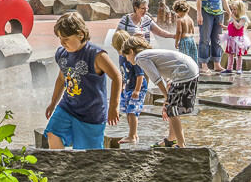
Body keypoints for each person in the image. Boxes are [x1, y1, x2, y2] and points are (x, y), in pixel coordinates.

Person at [44, 12, 121, 150]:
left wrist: (114, 107)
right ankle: (59, 168)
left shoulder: (96, 55)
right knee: (52, 132)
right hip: (67, 107)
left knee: (88, 156)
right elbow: (62, 79)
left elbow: (116, 77)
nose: (62, 43)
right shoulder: (62, 54)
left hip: (91, 113)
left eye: (66, 38)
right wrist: (53, 103)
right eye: (60, 38)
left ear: (80, 34)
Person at [122, 35, 199, 148]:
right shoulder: (149, 54)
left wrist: (166, 96)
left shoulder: (139, 57)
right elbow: (167, 75)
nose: (127, 59)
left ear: (131, 51)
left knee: (172, 110)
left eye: (126, 55)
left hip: (184, 72)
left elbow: (156, 78)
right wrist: (167, 96)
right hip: (189, 69)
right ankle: (171, 139)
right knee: (170, 108)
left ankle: (182, 145)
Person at [196, 0, 232, 75]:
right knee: (205, 39)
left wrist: (230, 13)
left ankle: (217, 63)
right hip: (206, 12)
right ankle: (204, 65)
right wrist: (199, 14)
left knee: (217, 39)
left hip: (218, 13)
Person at [111, 29, 146, 145]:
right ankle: (133, 133)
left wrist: (137, 90)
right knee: (127, 111)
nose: (121, 54)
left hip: (137, 88)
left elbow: (140, 75)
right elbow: (123, 73)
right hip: (128, 87)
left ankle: (132, 135)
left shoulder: (133, 57)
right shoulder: (122, 57)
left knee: (132, 111)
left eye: (121, 51)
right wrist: (122, 87)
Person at [221, 0, 251, 75]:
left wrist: (233, 19)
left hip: (238, 39)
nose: (233, 11)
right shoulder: (232, 18)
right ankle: (229, 68)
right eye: (232, 9)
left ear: (240, 10)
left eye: (235, 9)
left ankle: (239, 68)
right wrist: (224, 27)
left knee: (239, 54)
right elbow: (230, 27)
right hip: (231, 38)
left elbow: (238, 26)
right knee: (230, 53)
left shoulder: (243, 18)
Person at [172, 0, 198, 64]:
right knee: (193, 58)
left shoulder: (180, 20)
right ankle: (194, 71)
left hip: (184, 40)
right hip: (192, 40)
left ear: (177, 11)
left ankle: (185, 71)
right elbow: (193, 31)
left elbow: (179, 32)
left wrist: (176, 42)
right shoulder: (190, 19)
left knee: (184, 59)